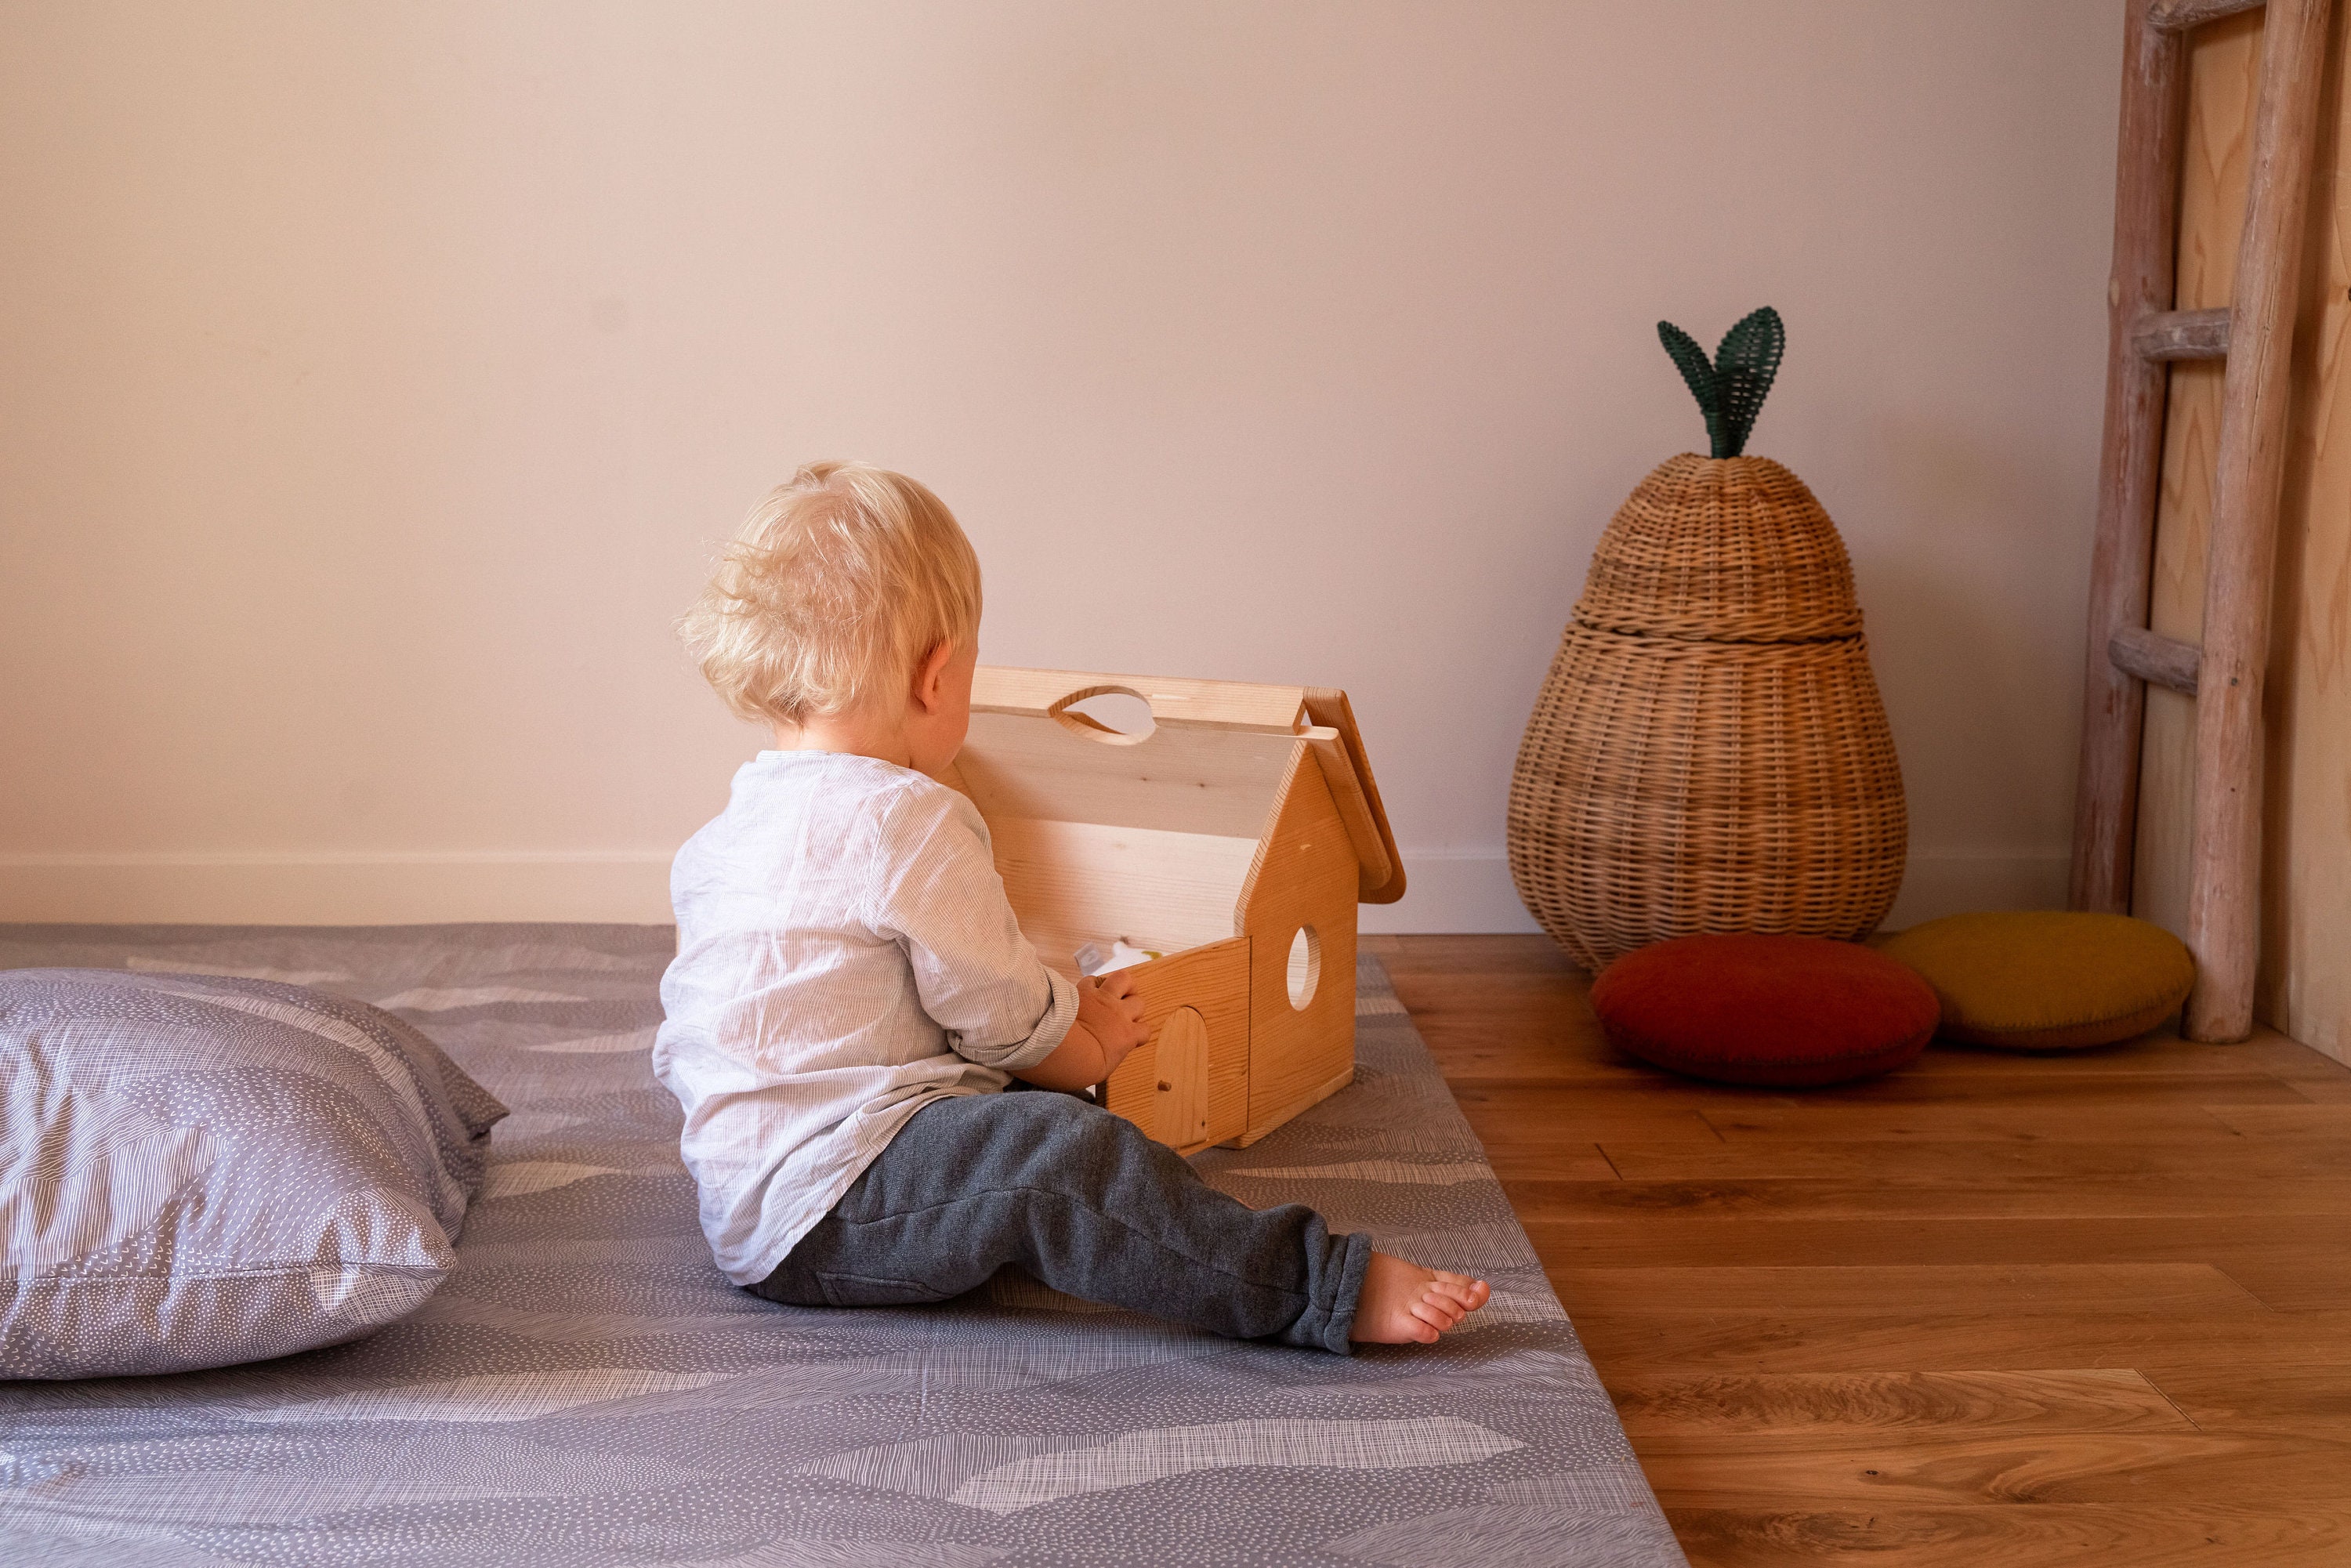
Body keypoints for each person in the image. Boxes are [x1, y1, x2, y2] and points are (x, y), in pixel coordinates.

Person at [655, 462, 1488, 1351]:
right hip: (833, 1208)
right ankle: (1316, 1287)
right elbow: (998, 1012)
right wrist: (1083, 1038)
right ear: (937, 677)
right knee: (1063, 1160)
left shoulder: (725, 835)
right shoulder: (905, 817)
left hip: (746, 1193)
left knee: (1012, 1125)